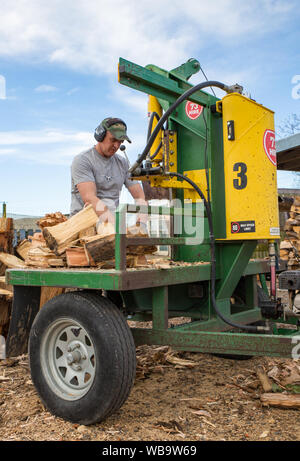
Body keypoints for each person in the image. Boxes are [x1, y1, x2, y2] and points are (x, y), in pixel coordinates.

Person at [70, 117, 147, 230]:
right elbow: (90, 198)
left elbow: (140, 196)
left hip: (111, 226)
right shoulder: (83, 160)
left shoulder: (123, 163)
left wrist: (142, 223)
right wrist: (116, 228)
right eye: (113, 140)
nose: (116, 146)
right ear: (100, 136)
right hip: (84, 228)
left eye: (120, 142)